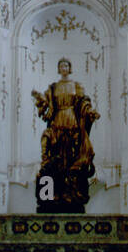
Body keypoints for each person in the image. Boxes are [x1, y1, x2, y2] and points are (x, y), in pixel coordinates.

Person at [32, 58, 99, 212]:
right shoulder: (53, 88)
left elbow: (84, 104)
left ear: (70, 68)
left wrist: (90, 112)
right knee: (56, 157)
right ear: (58, 69)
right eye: (61, 65)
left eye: (66, 65)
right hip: (58, 120)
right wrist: (38, 97)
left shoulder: (76, 86)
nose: (64, 68)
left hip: (72, 120)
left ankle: (71, 192)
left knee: (71, 156)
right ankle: (54, 193)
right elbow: (46, 104)